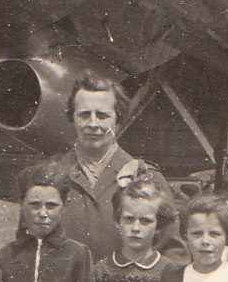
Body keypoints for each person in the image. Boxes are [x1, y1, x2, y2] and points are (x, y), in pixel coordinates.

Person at [40, 75, 173, 262]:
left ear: (118, 120)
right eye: (84, 114)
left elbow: (173, 250)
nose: (93, 124)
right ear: (72, 117)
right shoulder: (49, 178)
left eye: (102, 116)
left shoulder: (145, 177)